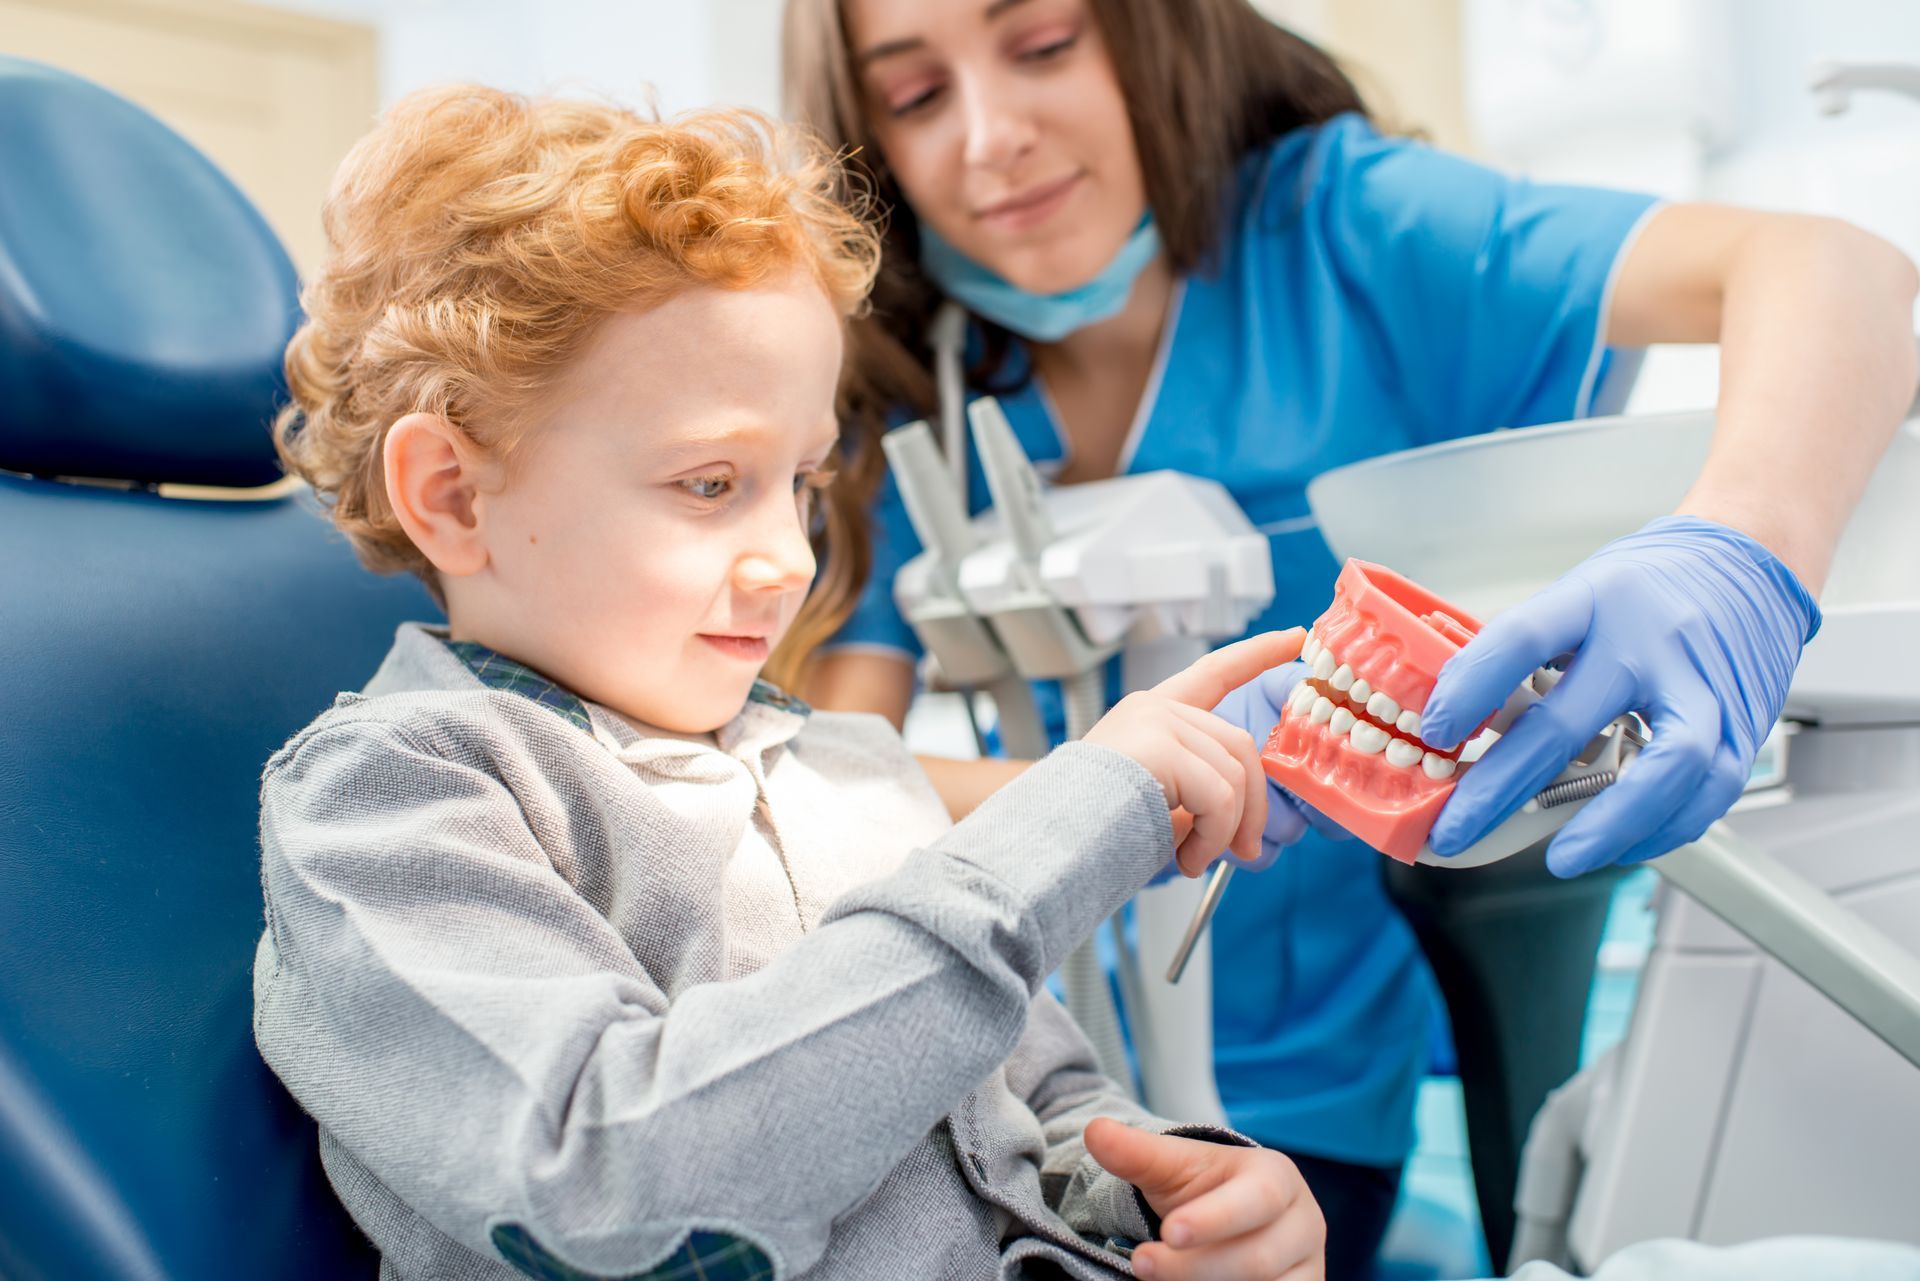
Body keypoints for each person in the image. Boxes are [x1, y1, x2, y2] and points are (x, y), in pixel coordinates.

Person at [779, 0, 1919, 1273]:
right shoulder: (906, 383)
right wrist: (1132, 798)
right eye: (917, 96)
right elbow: (826, 776)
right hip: (1026, 1077)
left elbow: (1839, 269)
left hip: (1310, 1104)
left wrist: (1743, 549)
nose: (992, 137)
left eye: (1043, 44)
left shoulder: (1348, 232)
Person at [251, 82, 1333, 1281]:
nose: (791, 559)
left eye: (804, 483)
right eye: (712, 484)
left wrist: (1170, 1188)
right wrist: (1054, 830)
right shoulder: (390, 806)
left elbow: (1030, 1108)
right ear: (453, 494)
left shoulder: (841, 772)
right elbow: (621, 1188)